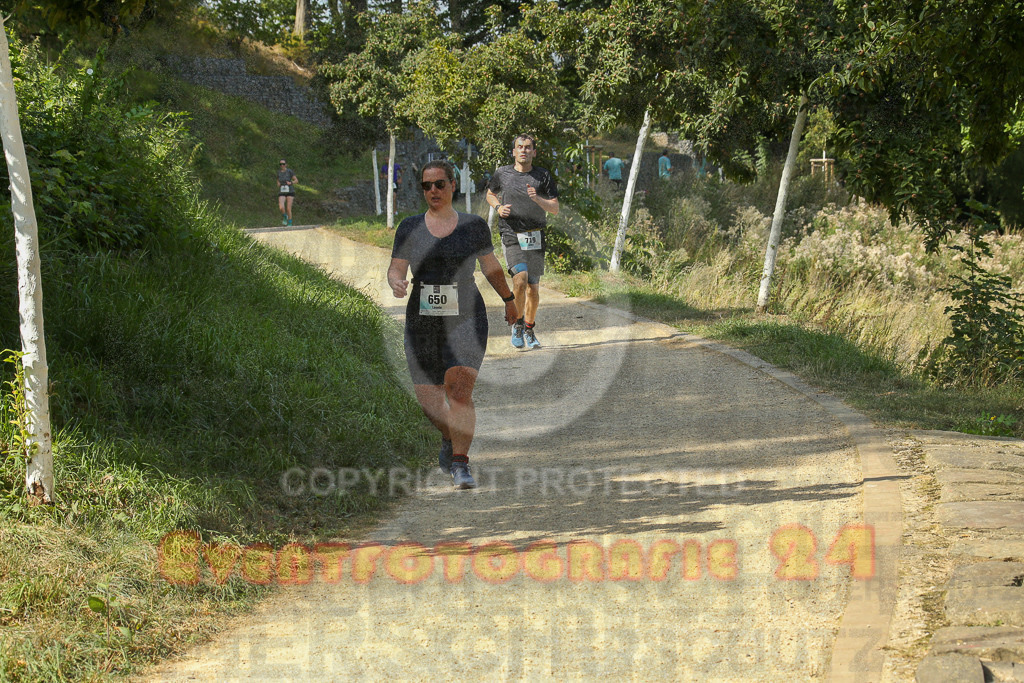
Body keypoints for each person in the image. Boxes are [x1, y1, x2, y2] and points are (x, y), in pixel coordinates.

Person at [387, 161, 518, 489]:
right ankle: (450, 438)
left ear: (452, 186)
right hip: (422, 318)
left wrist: (509, 299)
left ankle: (461, 464)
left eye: (439, 184)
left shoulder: (473, 226)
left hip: (466, 316)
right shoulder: (409, 227)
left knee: (459, 389)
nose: (433, 191)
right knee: (429, 400)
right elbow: (396, 268)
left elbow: (490, 268)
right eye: (426, 186)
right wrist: (397, 282)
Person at [486, 134, 560, 350]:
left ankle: (529, 328)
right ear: (514, 152)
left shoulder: (543, 176)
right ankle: (517, 324)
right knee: (520, 279)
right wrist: (499, 207)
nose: (524, 151)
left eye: (528, 148)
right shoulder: (503, 174)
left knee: (533, 289)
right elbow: (490, 194)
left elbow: (554, 208)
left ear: (534, 152)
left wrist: (537, 198)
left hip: (535, 236)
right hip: (511, 234)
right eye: (520, 147)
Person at [277, 160, 297, 226]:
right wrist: (278, 183)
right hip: (282, 190)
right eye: (280, 164)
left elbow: (296, 180)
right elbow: (278, 180)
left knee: (288, 208)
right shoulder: (278, 172)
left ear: (286, 164)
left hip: (290, 190)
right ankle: (285, 216)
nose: (282, 165)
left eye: (283, 164)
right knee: (281, 207)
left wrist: (291, 183)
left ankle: (290, 222)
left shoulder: (289, 171)